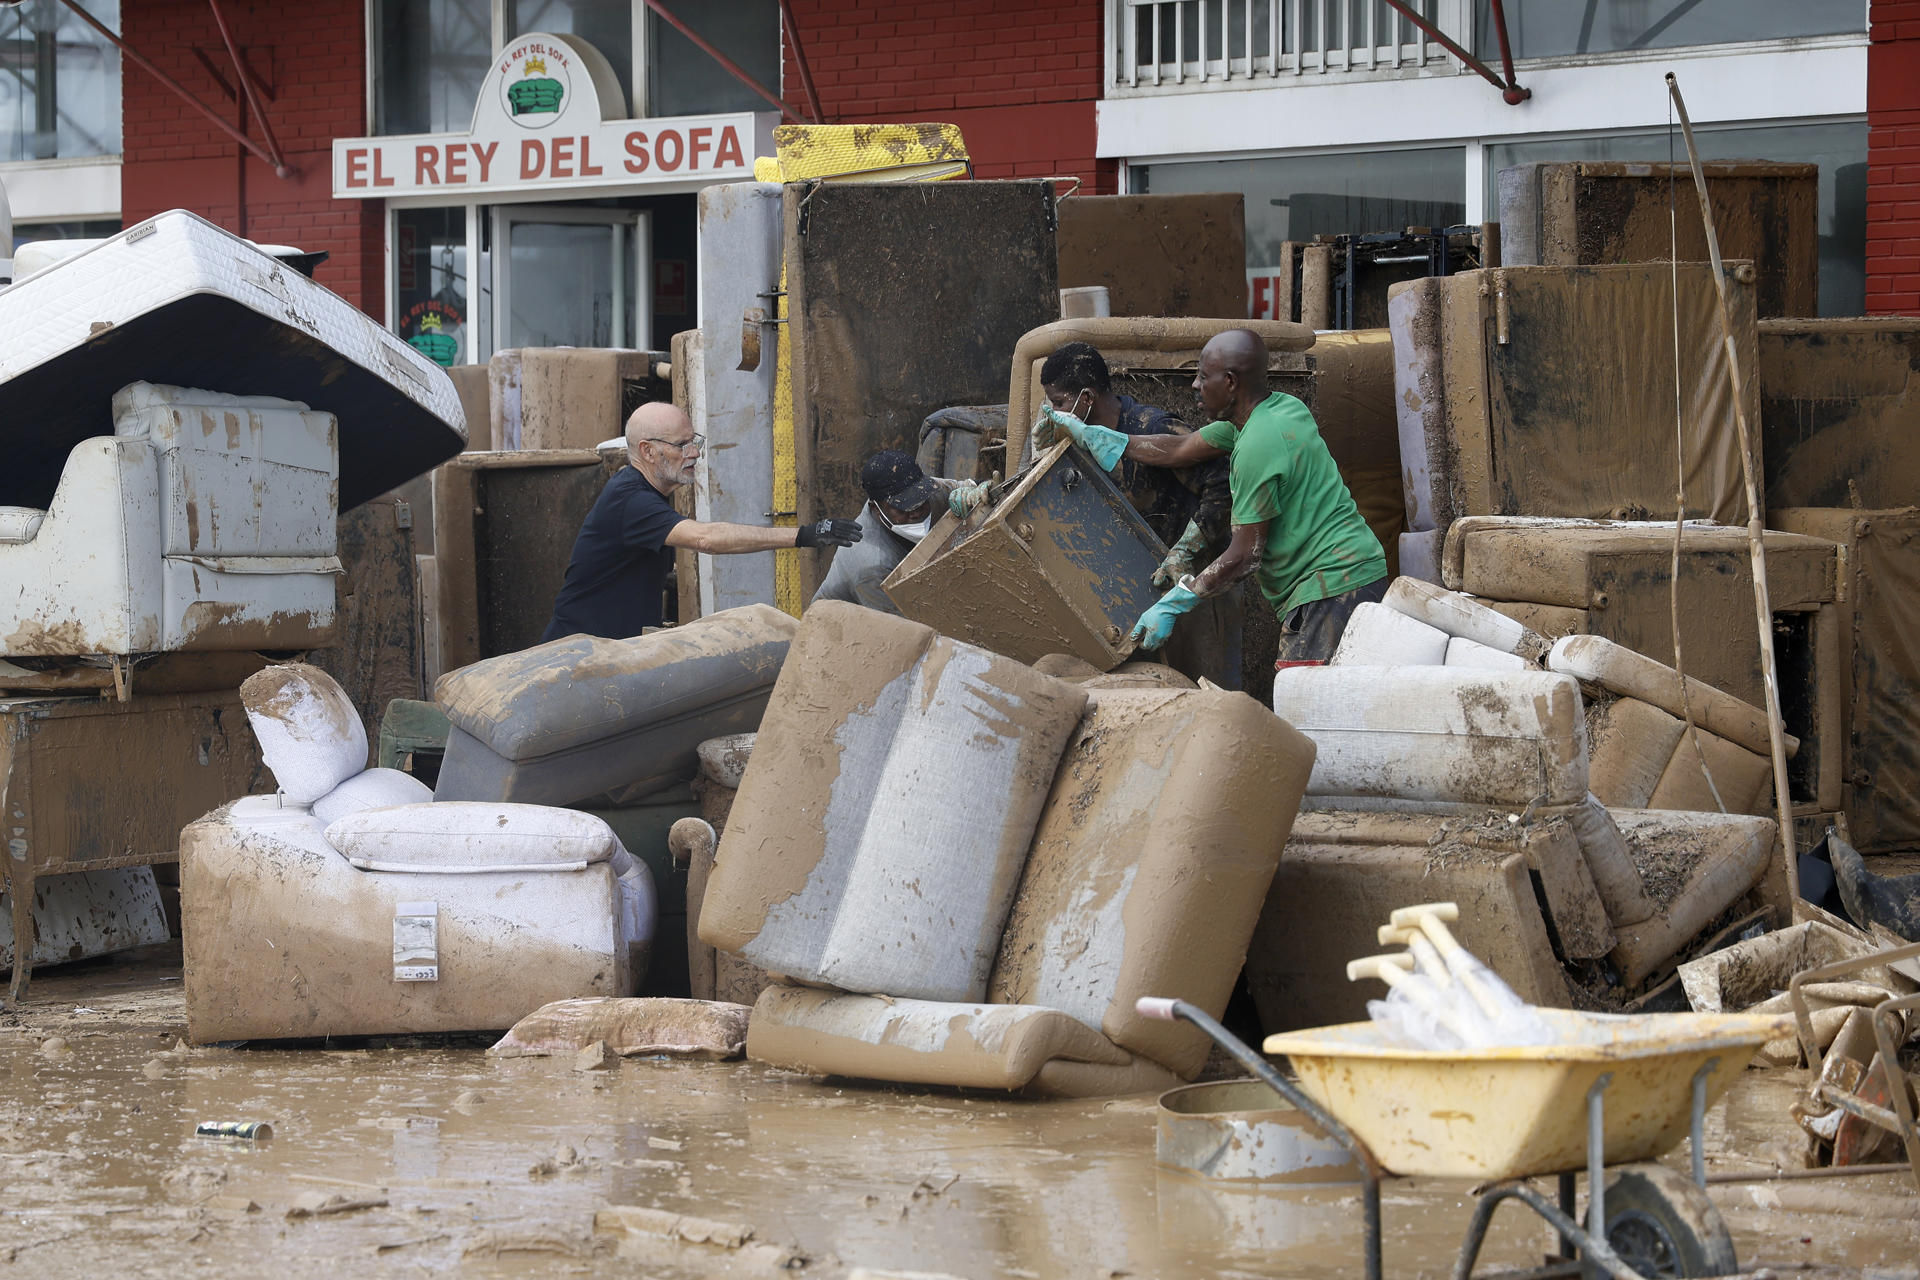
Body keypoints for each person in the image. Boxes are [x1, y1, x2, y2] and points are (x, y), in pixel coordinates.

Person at [1045, 329, 1387, 664]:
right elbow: (1178, 449)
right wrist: (1096, 436)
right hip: (1353, 572)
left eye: (1203, 376)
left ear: (1230, 383)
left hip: (1332, 586)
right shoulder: (1275, 411)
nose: (1194, 385)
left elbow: (1244, 556)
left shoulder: (1257, 445)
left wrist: (1175, 602)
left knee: (1304, 704)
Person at [952, 341, 1242, 684]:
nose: (1051, 410)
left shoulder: (1150, 427)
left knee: (1203, 685)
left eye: (1058, 402)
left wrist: (1187, 549)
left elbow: (1224, 481)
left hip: (1191, 586)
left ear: (1086, 399)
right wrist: (999, 488)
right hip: (1127, 589)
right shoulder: (1066, 436)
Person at [542, 401, 860, 642]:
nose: (694, 453)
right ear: (648, 451)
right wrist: (805, 535)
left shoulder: (644, 494)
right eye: (683, 445)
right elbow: (705, 539)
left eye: (694, 441)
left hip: (608, 650)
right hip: (579, 657)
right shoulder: (631, 500)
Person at [812, 449, 958, 613]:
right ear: (876, 508)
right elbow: (900, 631)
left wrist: (972, 493)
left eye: (920, 500)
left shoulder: (929, 491)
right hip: (839, 628)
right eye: (903, 507)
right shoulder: (872, 564)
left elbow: (969, 488)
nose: (916, 512)